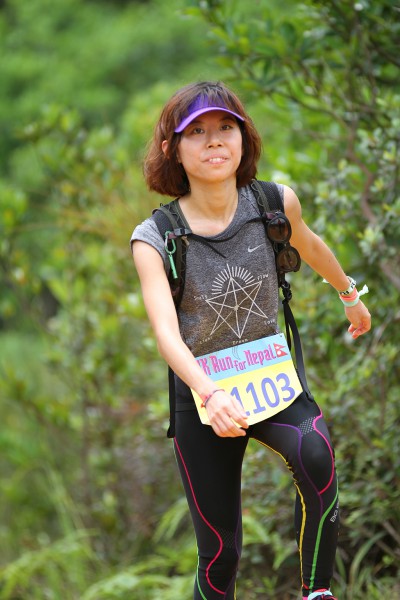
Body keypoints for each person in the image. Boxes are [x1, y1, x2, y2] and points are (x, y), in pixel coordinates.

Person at [131, 81, 371, 600]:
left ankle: (317, 593)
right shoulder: (156, 238)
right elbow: (166, 334)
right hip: (204, 395)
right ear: (172, 149)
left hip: (268, 374)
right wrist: (211, 393)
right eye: (196, 132)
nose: (215, 141)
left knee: (317, 457)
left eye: (226, 127)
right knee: (221, 555)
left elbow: (310, 245)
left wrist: (349, 294)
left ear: (244, 138)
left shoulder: (272, 203)